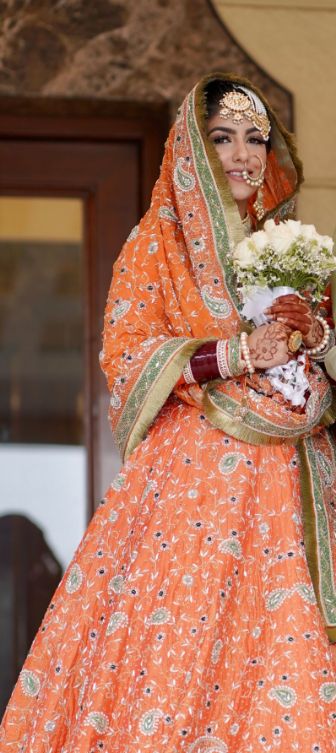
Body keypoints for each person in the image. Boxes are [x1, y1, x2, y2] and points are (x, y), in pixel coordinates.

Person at [1, 72, 335, 753]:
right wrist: (238, 353)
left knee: (287, 652)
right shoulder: (158, 242)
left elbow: (321, 365)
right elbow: (127, 356)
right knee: (180, 661)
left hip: (295, 486)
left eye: (256, 139)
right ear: (193, 149)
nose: (243, 155)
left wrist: (317, 337)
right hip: (195, 495)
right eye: (223, 138)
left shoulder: (293, 250)